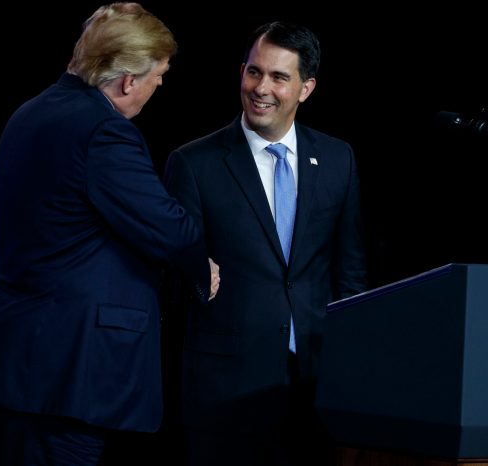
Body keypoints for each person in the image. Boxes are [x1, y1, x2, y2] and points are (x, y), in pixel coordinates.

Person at [0, 3, 219, 464]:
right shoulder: (103, 132)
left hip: (15, 366)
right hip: (68, 377)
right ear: (127, 82)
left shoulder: (27, 114)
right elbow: (171, 230)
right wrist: (203, 269)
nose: (159, 86)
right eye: (158, 75)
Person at [163, 20, 367, 466]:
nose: (261, 88)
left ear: (306, 88)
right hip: (226, 391)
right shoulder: (194, 163)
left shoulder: (337, 158)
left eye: (279, 77)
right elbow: (176, 281)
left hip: (315, 387)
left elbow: (349, 272)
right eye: (254, 72)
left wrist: (349, 365)